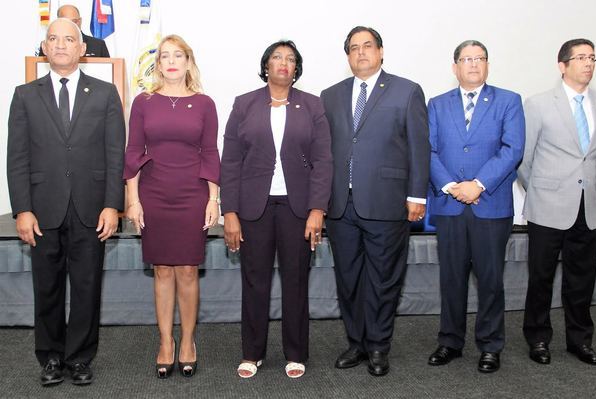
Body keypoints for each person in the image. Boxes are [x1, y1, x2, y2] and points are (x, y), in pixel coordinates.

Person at [7, 18, 124, 386]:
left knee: (88, 286)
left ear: (82, 48)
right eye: (53, 38)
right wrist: (22, 209)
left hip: (92, 208)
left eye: (68, 39)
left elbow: (114, 154)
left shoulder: (105, 94)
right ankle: (51, 357)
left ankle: (79, 358)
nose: (60, 44)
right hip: (42, 209)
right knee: (47, 287)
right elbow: (18, 157)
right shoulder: (24, 94)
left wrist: (112, 204)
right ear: (44, 47)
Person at [320, 26, 430, 377]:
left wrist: (416, 195)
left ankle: (379, 346)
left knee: (383, 279)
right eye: (354, 48)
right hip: (341, 206)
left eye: (368, 46)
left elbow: (418, 146)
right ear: (347, 56)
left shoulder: (407, 91)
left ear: (381, 51)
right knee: (349, 278)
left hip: (387, 203)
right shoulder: (330, 95)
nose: (361, 53)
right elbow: (323, 154)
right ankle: (356, 343)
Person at [220, 40, 332, 379]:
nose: (283, 63)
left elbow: (323, 161)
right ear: (266, 65)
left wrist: (317, 210)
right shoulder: (244, 105)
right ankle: (252, 353)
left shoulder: (313, 106)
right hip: (254, 207)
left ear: (296, 68)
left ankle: (295, 352)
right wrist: (230, 212)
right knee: (255, 281)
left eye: (290, 59)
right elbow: (231, 162)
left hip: (298, 208)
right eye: (276, 57)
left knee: (296, 281)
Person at [124, 34, 220, 379]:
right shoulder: (143, 102)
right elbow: (133, 152)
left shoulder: (205, 103)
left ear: (188, 61)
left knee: (188, 271)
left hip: (193, 195)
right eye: (165, 56)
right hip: (154, 194)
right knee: (163, 269)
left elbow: (210, 152)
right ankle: (166, 342)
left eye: (178, 55)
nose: (171, 61)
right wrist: (133, 200)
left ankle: (189, 341)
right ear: (158, 63)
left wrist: (214, 198)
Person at [426, 40, 525, 373]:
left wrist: (477, 184)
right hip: (449, 205)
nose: (473, 64)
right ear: (455, 66)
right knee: (451, 278)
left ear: (487, 65)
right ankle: (450, 341)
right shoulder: (437, 104)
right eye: (466, 59)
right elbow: (429, 151)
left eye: (479, 58)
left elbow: (512, 150)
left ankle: (490, 345)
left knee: (490, 279)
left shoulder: (508, 101)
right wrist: (453, 187)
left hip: (490, 204)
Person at [518, 38, 596, 366]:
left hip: (589, 208)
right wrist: (542, 190)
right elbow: (524, 158)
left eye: (592, 57)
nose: (588, 63)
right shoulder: (539, 104)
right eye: (581, 58)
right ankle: (538, 337)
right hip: (547, 207)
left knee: (582, 279)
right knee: (541, 277)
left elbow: (595, 156)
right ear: (562, 65)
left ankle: (580, 340)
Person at [38, 5, 110, 57]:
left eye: (74, 21)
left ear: (80, 21)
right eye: (66, 22)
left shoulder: (98, 45)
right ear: (58, 22)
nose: (71, 26)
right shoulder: (48, 45)